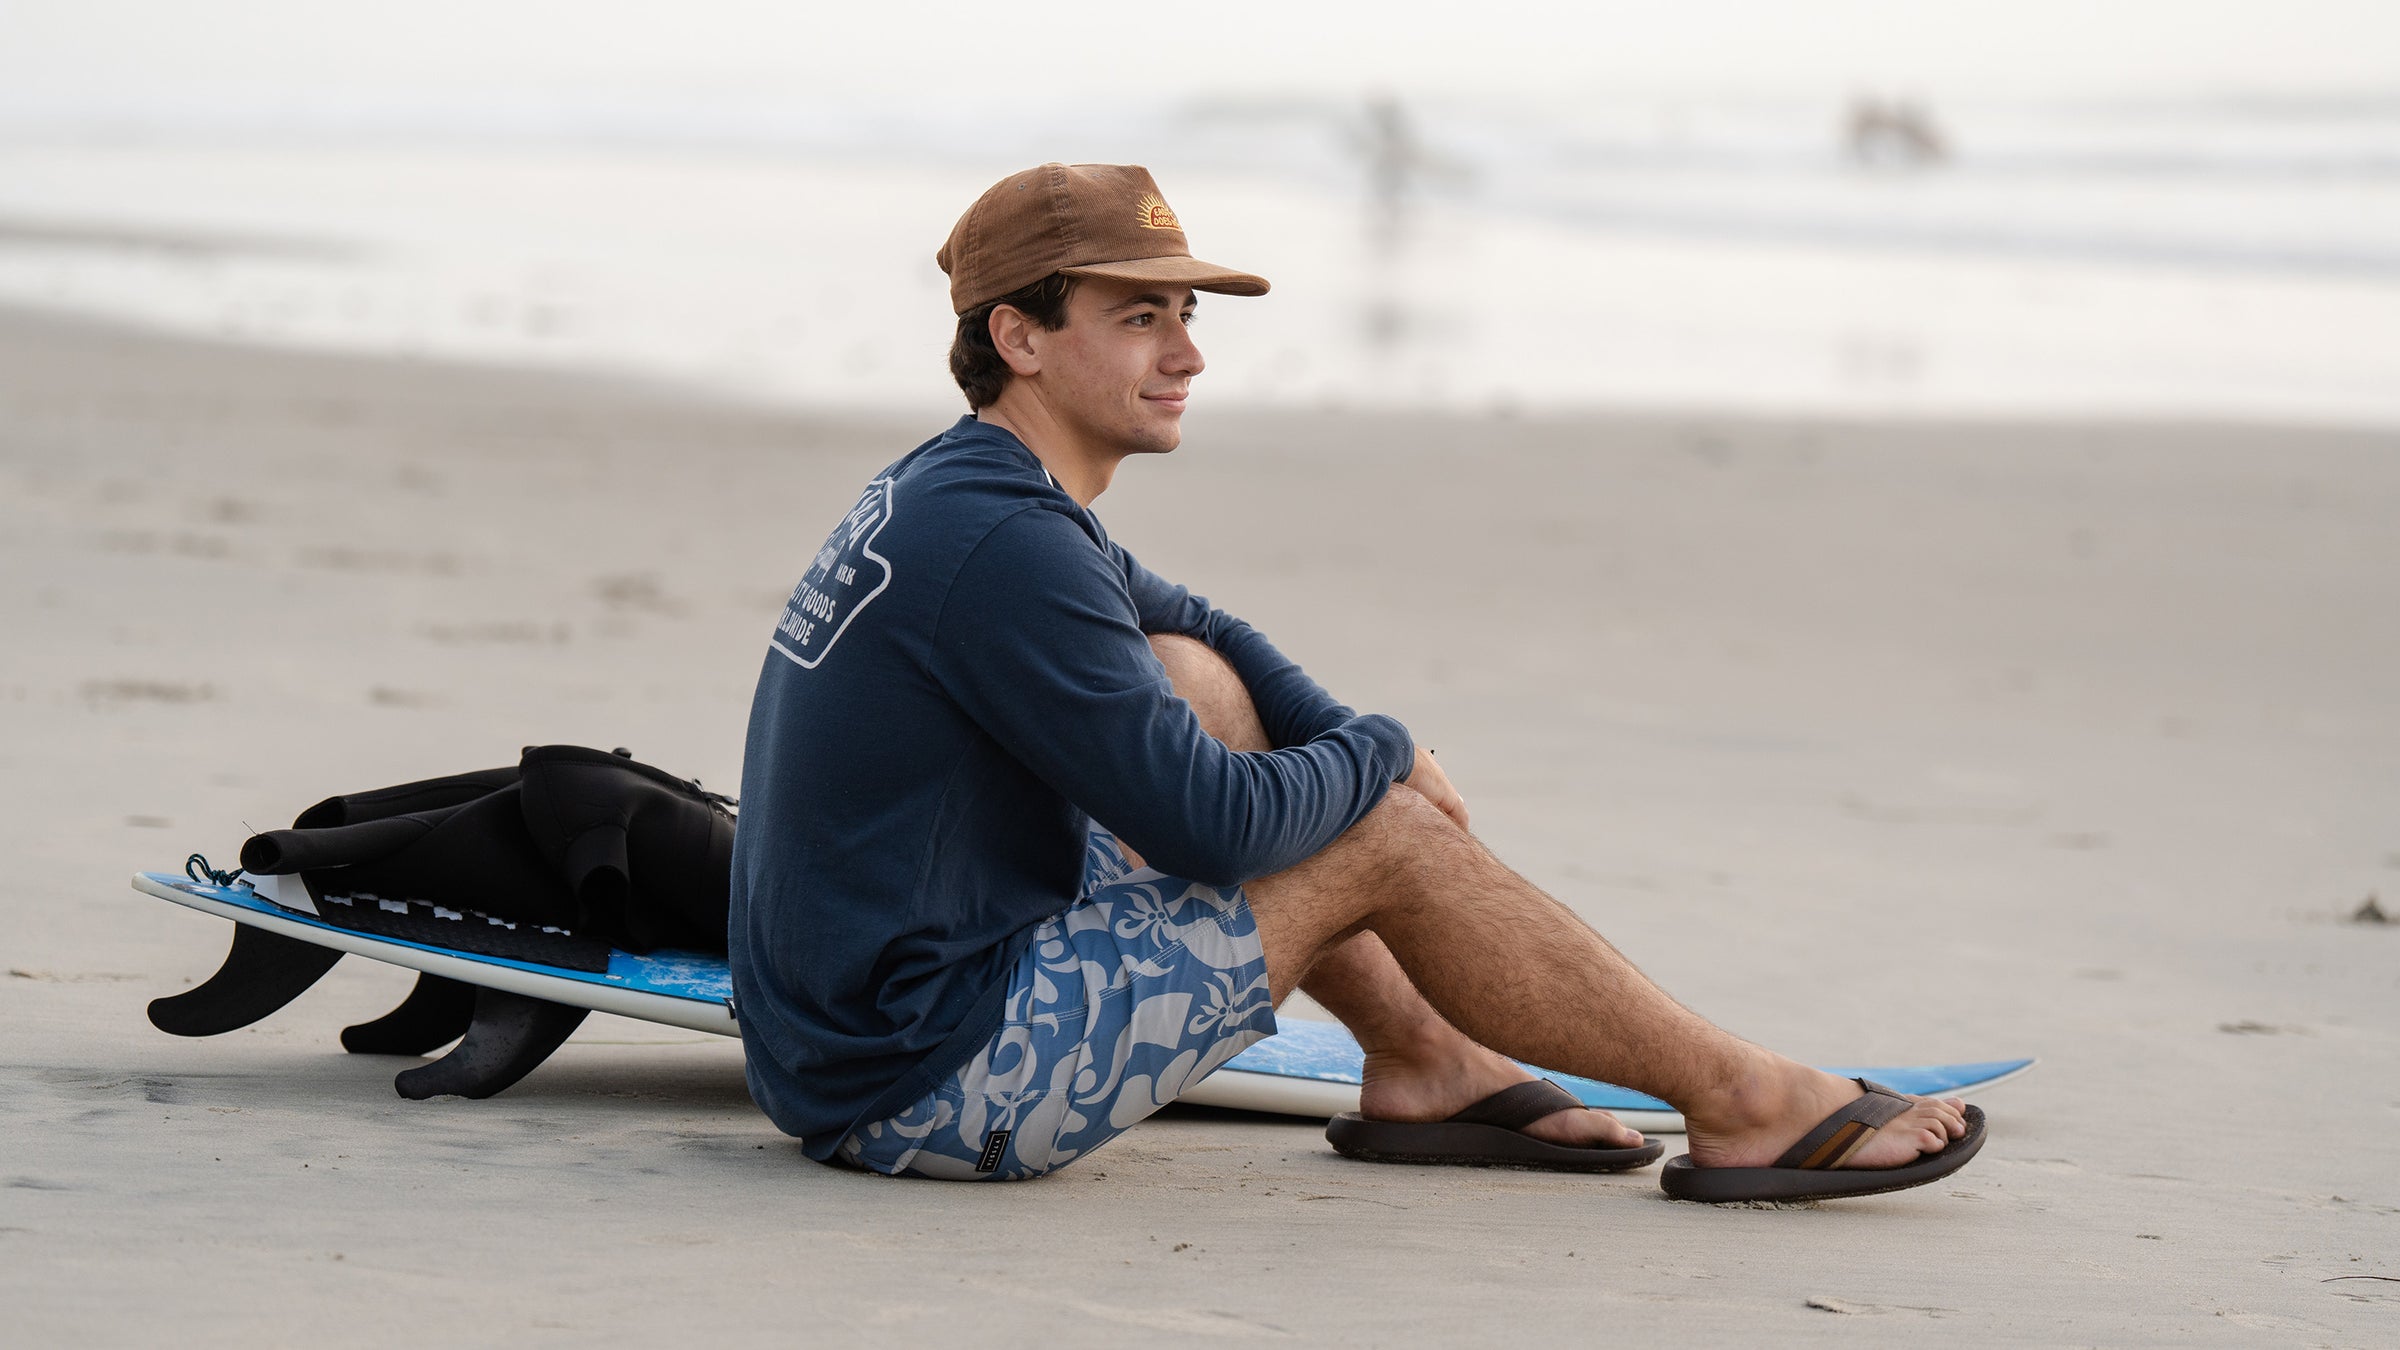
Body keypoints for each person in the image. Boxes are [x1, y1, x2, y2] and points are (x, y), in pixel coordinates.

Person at [728, 163, 1984, 1200]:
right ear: (1019, 337)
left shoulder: (976, 489)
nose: (1188, 356)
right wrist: (1382, 757)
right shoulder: (1006, 546)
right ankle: (1746, 1101)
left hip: (855, 1041)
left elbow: (1192, 620)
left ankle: (1427, 1061)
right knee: (1373, 836)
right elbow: (1211, 827)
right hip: (926, 1090)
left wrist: (1350, 733)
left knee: (1198, 680)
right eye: (1138, 317)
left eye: (1188, 317)